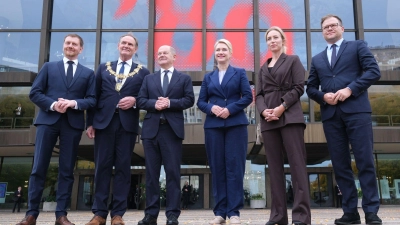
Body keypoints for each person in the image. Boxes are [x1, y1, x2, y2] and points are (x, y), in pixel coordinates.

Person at [306, 14, 382, 225]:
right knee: (340, 165)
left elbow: (374, 72)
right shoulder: (317, 59)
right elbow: (310, 88)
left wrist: (351, 89)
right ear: (322, 32)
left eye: (333, 25)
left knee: (365, 161)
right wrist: (323, 97)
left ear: (342, 28)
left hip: (357, 111)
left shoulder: (357, 46)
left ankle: (371, 212)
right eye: (325, 27)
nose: (329, 29)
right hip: (331, 117)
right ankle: (350, 211)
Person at [17, 34, 96, 225]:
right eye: (68, 43)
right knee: (38, 168)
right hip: (47, 121)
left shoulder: (88, 73)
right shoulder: (48, 67)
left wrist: (73, 103)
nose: (70, 46)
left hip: (72, 124)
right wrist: (53, 105)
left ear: (81, 49)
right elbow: (35, 93)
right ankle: (31, 214)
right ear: (63, 46)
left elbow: (92, 99)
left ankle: (61, 215)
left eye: (74, 44)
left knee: (67, 170)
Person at [85, 33, 150, 225]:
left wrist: (135, 101)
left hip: (127, 125)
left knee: (123, 168)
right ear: (118, 45)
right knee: (102, 167)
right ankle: (99, 214)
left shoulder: (143, 72)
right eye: (124, 43)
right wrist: (90, 122)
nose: (126, 46)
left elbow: (147, 96)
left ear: (135, 49)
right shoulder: (104, 68)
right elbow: (93, 96)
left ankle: (118, 214)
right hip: (103, 124)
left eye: (131, 44)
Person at [255, 26, 311, 225]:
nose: (272, 41)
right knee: (275, 168)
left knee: (297, 166)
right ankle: (278, 216)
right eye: (269, 38)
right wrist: (264, 111)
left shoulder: (293, 60)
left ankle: (301, 217)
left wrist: (282, 107)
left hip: (289, 117)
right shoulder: (263, 68)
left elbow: (299, 87)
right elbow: (259, 95)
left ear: (282, 40)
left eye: (275, 37)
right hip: (268, 120)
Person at [137, 45, 194, 225]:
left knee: (172, 173)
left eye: (165, 53)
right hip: (151, 131)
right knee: (152, 174)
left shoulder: (183, 78)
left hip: (172, 131)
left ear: (174, 56)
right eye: (159, 53)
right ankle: (150, 215)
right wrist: (156, 104)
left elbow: (189, 100)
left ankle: (172, 215)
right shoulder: (148, 79)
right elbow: (141, 100)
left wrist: (169, 103)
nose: (161, 55)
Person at [197, 39, 252, 225]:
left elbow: (248, 97)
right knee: (217, 168)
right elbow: (201, 102)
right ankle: (220, 212)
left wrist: (230, 109)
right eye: (217, 49)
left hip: (235, 124)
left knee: (235, 168)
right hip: (213, 126)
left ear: (230, 53)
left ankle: (234, 212)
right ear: (214, 54)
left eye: (224, 49)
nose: (220, 52)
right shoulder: (208, 77)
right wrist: (212, 108)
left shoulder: (239, 73)